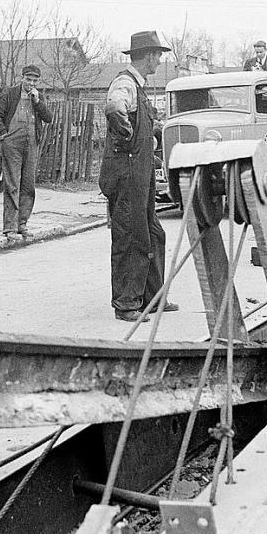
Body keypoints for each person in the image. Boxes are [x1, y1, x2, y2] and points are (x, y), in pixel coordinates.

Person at [99, 30, 178, 322]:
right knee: (131, 237)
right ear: (146, 56)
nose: (159, 60)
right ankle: (126, 304)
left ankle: (153, 298)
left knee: (154, 234)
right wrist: (126, 131)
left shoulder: (140, 86)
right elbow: (114, 105)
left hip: (140, 174)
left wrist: (151, 137)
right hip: (126, 173)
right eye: (157, 54)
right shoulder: (125, 83)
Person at [0, 64, 52, 239]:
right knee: (12, 185)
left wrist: (38, 101)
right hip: (12, 144)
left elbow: (48, 118)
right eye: (28, 79)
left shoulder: (38, 97)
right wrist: (3, 135)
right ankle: (9, 228)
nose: (31, 83)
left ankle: (22, 224)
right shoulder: (10, 94)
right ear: (22, 78)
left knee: (28, 185)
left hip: (32, 143)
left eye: (34, 81)